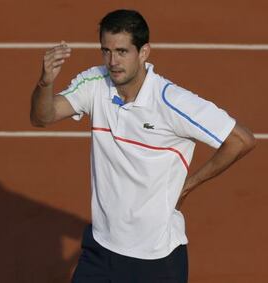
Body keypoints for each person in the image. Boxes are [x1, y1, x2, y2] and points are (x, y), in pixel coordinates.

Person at [30, 9, 256, 283]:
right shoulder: (95, 83)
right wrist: (46, 81)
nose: (113, 61)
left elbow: (241, 140)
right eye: (106, 51)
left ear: (144, 52)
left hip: (156, 261)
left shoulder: (171, 102)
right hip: (101, 248)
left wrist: (188, 185)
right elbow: (43, 117)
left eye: (122, 51)